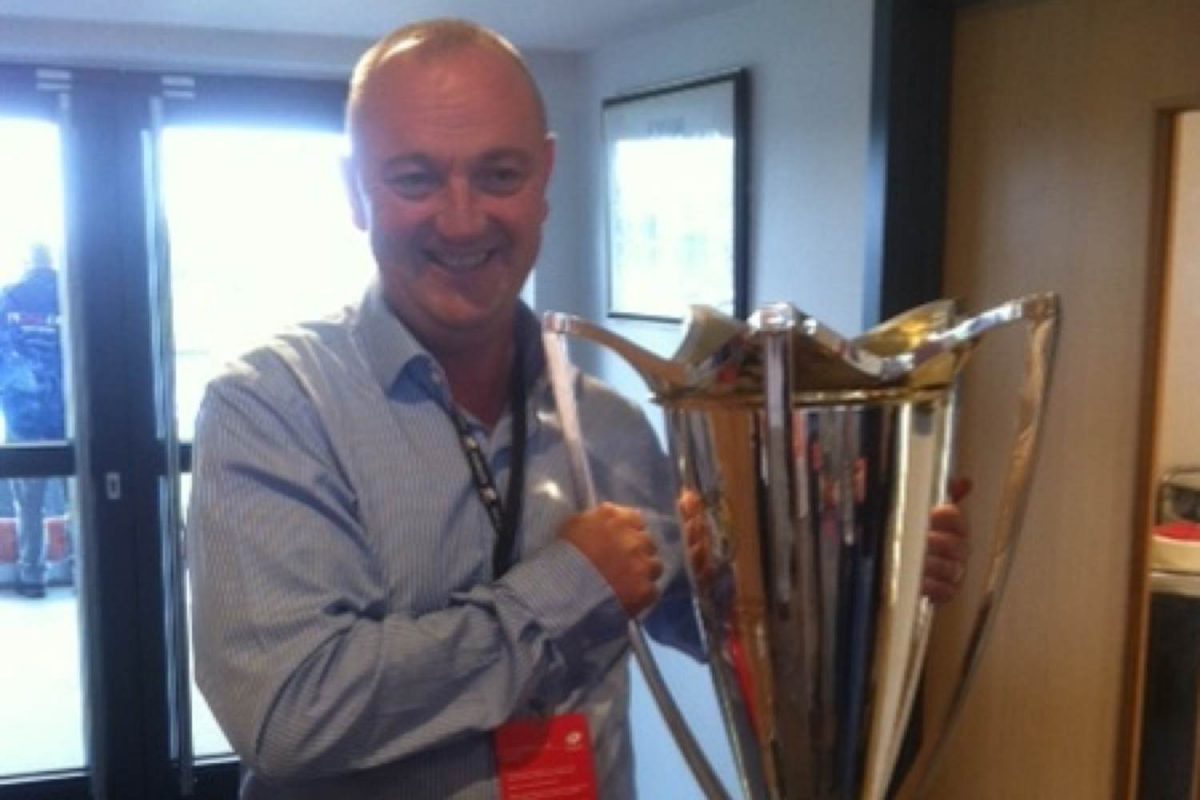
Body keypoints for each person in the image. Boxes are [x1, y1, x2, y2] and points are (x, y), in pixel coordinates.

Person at [187, 18, 968, 800]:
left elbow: (728, 638)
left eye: (499, 175)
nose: (462, 220)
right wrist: (569, 586)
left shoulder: (611, 428)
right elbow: (286, 716)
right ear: (355, 189)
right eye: (415, 179)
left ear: (546, 178)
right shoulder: (271, 410)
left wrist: (857, 574)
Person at [0, 242, 66, 600]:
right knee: (84, 496)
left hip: (24, 417)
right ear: (51, 262)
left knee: (29, 500)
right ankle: (89, 570)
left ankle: (32, 576)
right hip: (68, 416)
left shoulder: (8, 298)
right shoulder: (71, 295)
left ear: (27, 263)